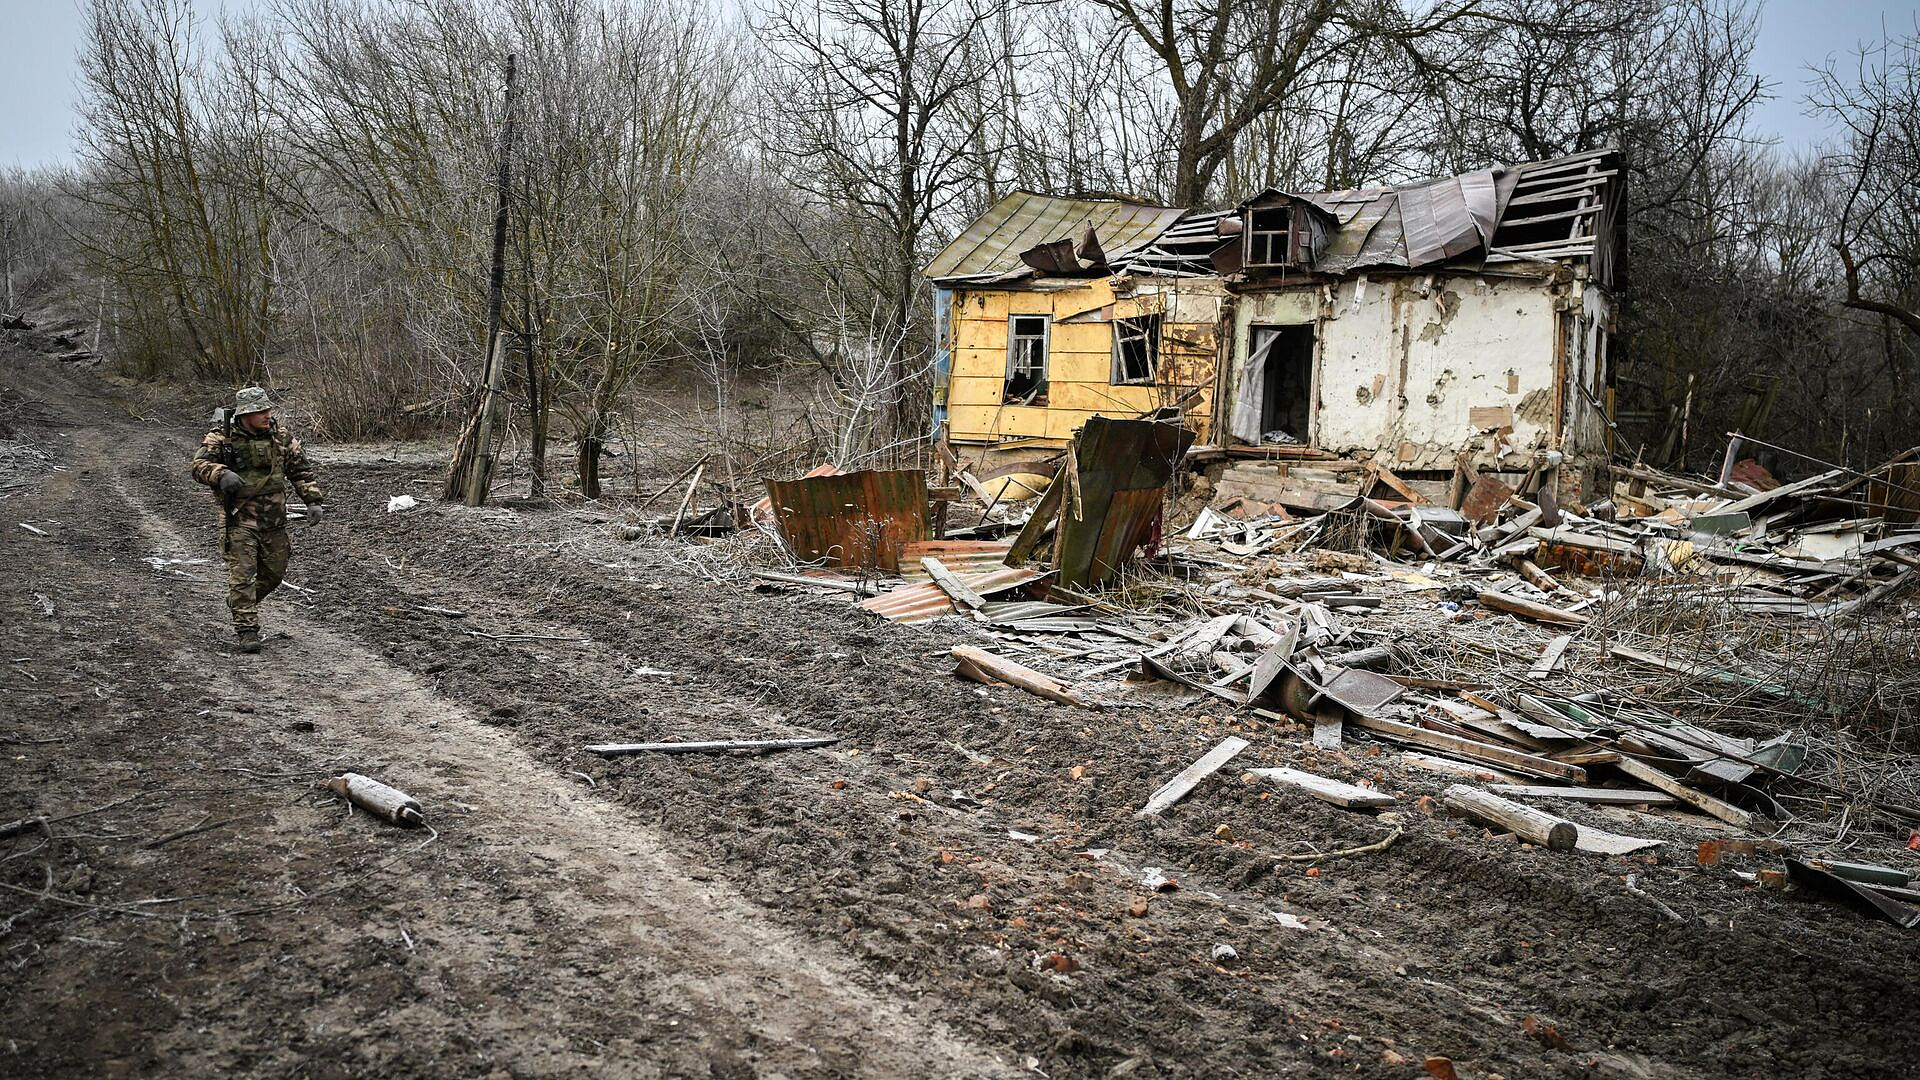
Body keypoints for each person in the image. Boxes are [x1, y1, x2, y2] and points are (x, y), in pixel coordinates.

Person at [190, 387, 326, 653]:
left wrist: (313, 501)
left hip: (274, 520)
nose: (267, 415)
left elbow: (300, 470)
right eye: (260, 411)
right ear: (245, 414)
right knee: (242, 577)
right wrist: (220, 474)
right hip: (239, 519)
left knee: (274, 574)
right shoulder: (221, 439)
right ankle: (247, 630)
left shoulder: (282, 437)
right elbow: (198, 466)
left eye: (267, 410)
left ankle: (241, 601)